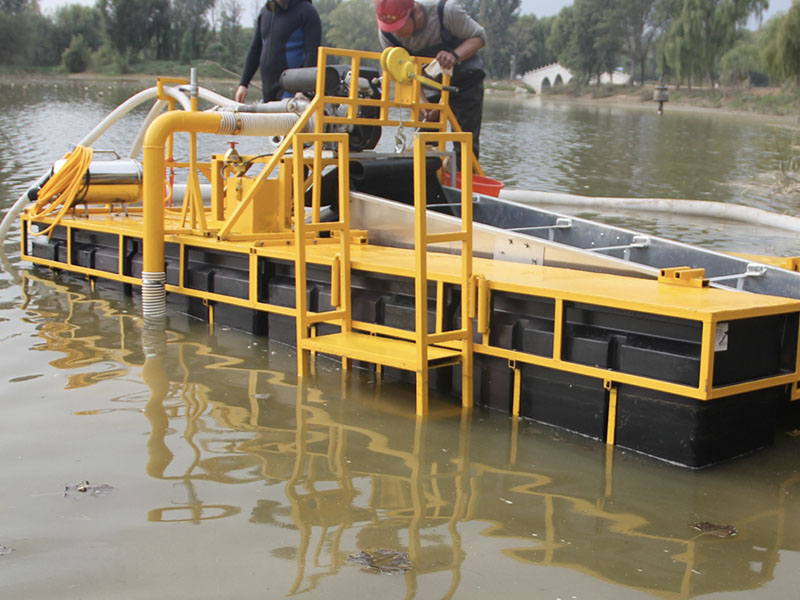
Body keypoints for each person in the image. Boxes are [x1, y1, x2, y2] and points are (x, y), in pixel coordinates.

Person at [374, 0, 486, 162]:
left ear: (415, 12)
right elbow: (404, 73)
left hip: (465, 82)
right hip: (428, 85)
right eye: (393, 29)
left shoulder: (446, 11)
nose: (397, 33)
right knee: (425, 142)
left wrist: (454, 55)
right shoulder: (387, 34)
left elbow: (479, 37)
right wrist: (422, 102)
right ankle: (429, 182)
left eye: (401, 26)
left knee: (465, 143)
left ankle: (465, 178)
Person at [235, 0, 322, 103]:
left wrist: (304, 90)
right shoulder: (265, 12)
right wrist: (243, 84)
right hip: (267, 90)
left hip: (293, 91)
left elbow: (313, 52)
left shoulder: (307, 11)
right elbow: (255, 50)